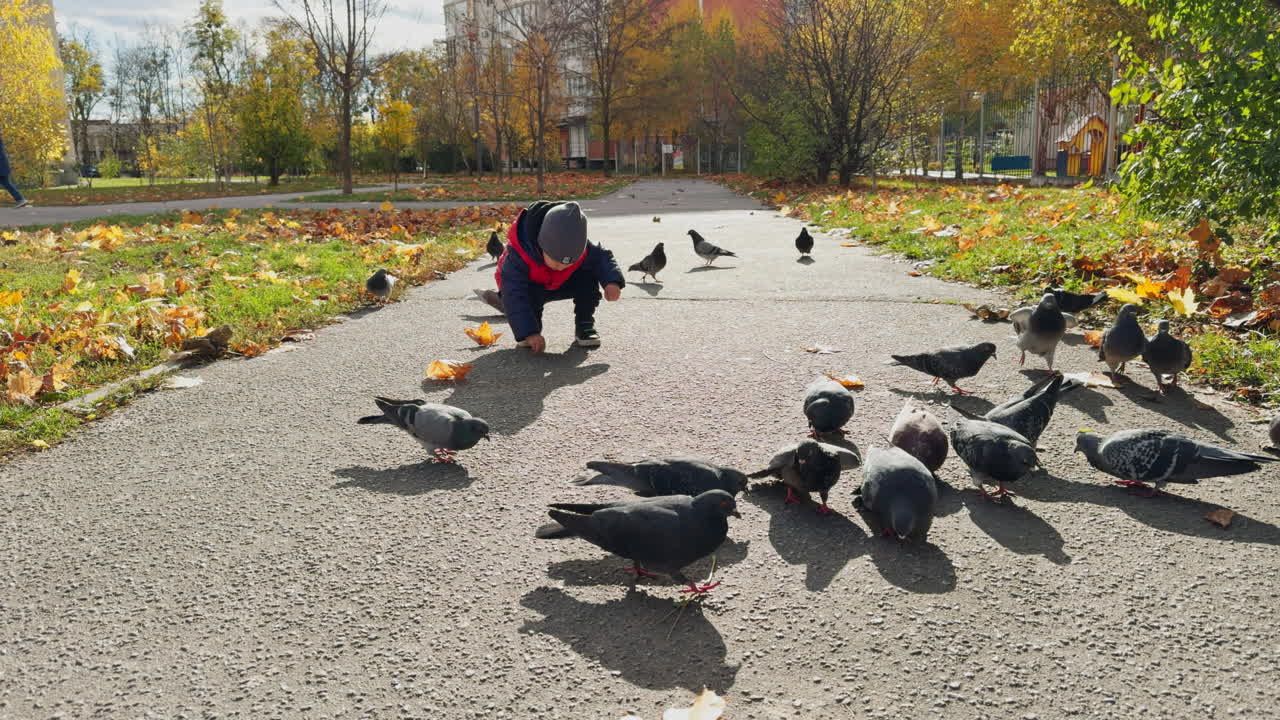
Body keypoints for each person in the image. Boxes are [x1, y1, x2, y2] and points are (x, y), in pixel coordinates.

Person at [474, 201, 623, 352]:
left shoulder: (582, 248)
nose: (561, 266)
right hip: (527, 287)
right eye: (555, 260)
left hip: (560, 282)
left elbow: (602, 258)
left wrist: (612, 282)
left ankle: (585, 325)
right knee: (527, 304)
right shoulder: (518, 257)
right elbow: (514, 295)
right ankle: (532, 330)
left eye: (569, 263)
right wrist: (530, 332)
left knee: (589, 276)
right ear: (541, 244)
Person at [0, 133, 30, 208]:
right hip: (3, 166)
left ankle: (20, 199)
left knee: (7, 183)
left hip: (1, 166)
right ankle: (20, 199)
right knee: (7, 184)